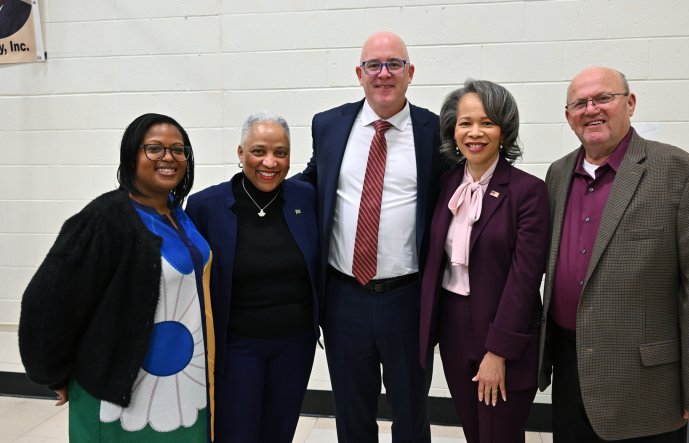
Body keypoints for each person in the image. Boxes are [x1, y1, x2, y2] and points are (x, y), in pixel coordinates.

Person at [539, 66, 689, 442]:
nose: (591, 109)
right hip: (570, 368)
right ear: (568, 117)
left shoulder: (681, 173)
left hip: (644, 381)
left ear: (629, 103)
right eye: (580, 103)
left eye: (603, 98)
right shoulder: (558, 174)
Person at [19, 113, 214, 442]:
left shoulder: (177, 213)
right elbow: (48, 299)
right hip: (121, 398)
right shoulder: (105, 218)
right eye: (154, 148)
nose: (168, 157)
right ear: (131, 155)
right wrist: (53, 373)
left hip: (182, 389)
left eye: (178, 150)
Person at [300, 31, 445, 443]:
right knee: (351, 411)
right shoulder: (329, 125)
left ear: (410, 72)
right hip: (344, 298)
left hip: (407, 299)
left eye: (394, 64)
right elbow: (310, 184)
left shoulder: (434, 131)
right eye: (373, 66)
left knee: (411, 411)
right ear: (359, 74)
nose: (384, 74)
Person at [419, 79, 549, 442]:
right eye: (465, 123)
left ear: (504, 131)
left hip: (503, 329)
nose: (475, 132)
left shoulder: (528, 192)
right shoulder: (446, 184)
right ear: (453, 130)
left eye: (487, 123)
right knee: (475, 433)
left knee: (500, 436)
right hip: (454, 326)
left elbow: (524, 280)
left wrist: (498, 351)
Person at [185, 112, 319, 443]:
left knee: (280, 430)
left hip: (295, 345)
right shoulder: (207, 206)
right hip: (236, 347)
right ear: (240, 153)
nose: (270, 162)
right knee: (236, 432)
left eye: (281, 152)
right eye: (259, 151)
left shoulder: (305, 198)